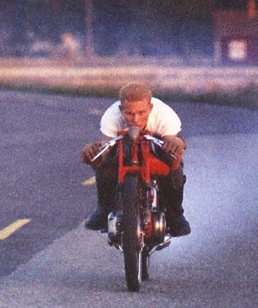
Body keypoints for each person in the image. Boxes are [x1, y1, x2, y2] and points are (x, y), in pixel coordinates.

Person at [80, 83, 191, 236]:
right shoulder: (111, 117)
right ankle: (104, 208)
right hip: (122, 141)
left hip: (156, 140)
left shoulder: (166, 116)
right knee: (103, 165)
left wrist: (176, 146)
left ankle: (176, 215)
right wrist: (93, 156)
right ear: (121, 110)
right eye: (129, 113)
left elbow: (172, 155)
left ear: (150, 108)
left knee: (174, 163)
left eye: (141, 112)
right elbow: (105, 154)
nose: (135, 119)